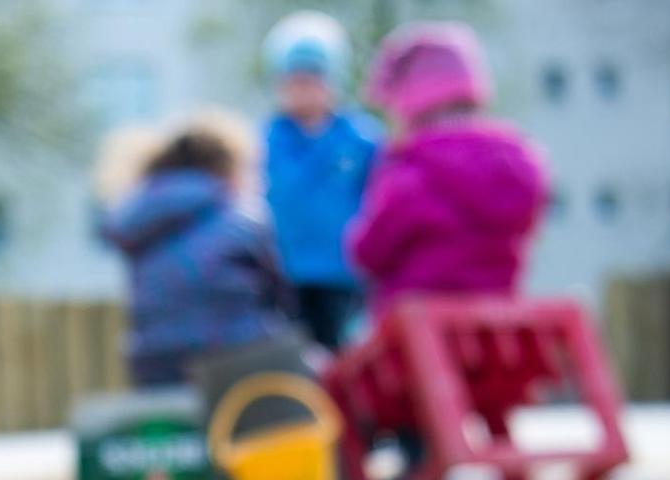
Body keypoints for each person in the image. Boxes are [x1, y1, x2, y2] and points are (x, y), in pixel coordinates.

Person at [345, 22, 549, 316]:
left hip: (417, 331)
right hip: (490, 326)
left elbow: (370, 251)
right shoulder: (518, 163)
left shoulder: (411, 170)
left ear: (409, 104)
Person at [99, 114, 297, 389]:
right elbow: (278, 295)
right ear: (231, 166)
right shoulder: (242, 215)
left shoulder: (139, 214)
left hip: (152, 357)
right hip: (234, 352)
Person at [262, 12, 380, 352]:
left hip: (345, 278)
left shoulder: (362, 139)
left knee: (343, 362)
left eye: (312, 77)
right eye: (294, 78)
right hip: (285, 279)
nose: (303, 88)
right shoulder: (265, 141)